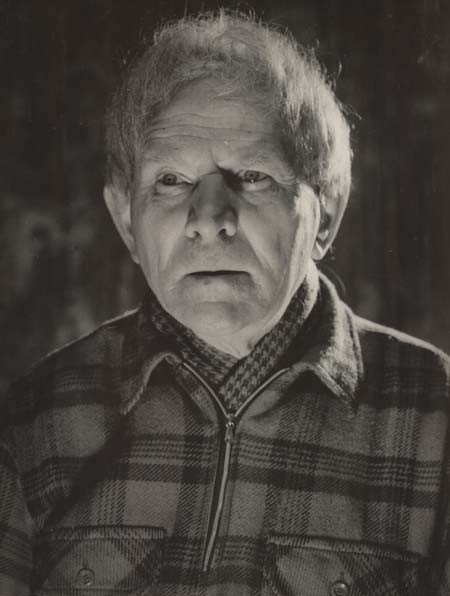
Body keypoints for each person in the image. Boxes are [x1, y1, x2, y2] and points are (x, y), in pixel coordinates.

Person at [1, 10, 449, 596]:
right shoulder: (35, 419)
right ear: (126, 221)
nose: (209, 219)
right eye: (170, 180)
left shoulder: (437, 419)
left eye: (253, 175)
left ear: (326, 215)